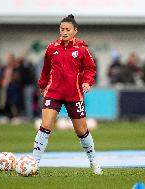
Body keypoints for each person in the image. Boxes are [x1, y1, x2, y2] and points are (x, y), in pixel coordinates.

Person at [32, 14, 102, 175]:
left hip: (74, 95)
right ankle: (34, 163)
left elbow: (90, 68)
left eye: (67, 29)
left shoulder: (82, 50)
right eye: (62, 29)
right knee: (45, 126)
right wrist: (42, 85)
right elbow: (45, 70)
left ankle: (94, 162)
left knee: (81, 131)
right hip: (53, 92)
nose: (64, 32)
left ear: (75, 31)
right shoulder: (51, 48)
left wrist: (87, 82)